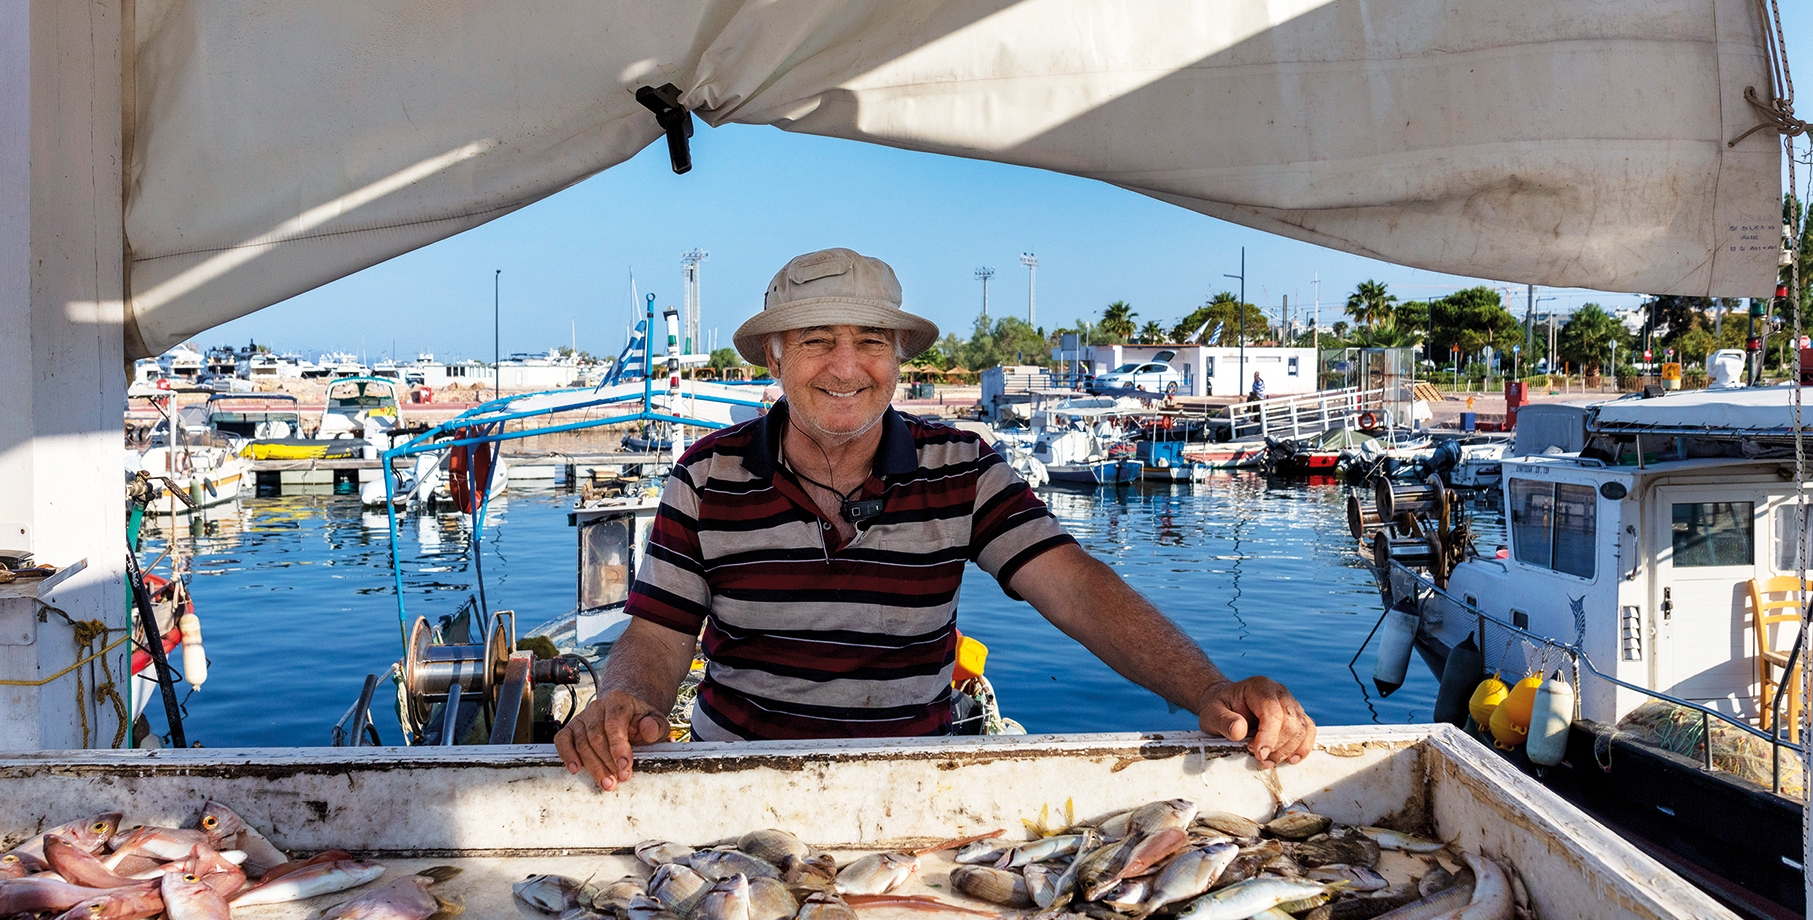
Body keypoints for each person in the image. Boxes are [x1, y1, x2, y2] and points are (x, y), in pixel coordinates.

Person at [554, 249, 1317, 791]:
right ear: (776, 360)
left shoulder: (961, 466)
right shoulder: (706, 475)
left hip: (914, 781)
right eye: (819, 342)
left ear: (897, 359)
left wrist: (1210, 689)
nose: (847, 366)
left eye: (871, 343)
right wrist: (625, 702)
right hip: (739, 779)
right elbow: (658, 635)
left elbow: (1077, 590)